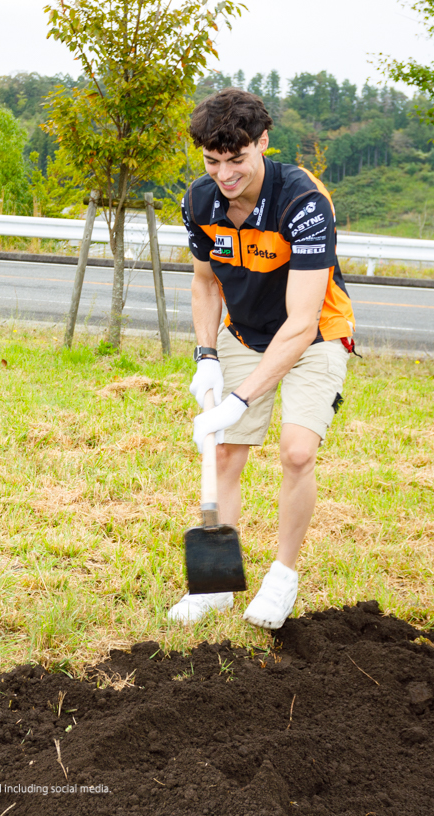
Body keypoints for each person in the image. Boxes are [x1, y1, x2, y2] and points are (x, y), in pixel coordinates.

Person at [168, 88, 356, 630]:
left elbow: (301, 321)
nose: (224, 175)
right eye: (212, 161)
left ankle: (282, 576)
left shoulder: (302, 200)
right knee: (225, 452)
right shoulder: (199, 201)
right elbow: (206, 284)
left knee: (296, 452)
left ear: (263, 143)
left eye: (237, 159)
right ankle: (216, 586)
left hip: (315, 335)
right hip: (243, 333)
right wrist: (206, 355)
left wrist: (241, 398)